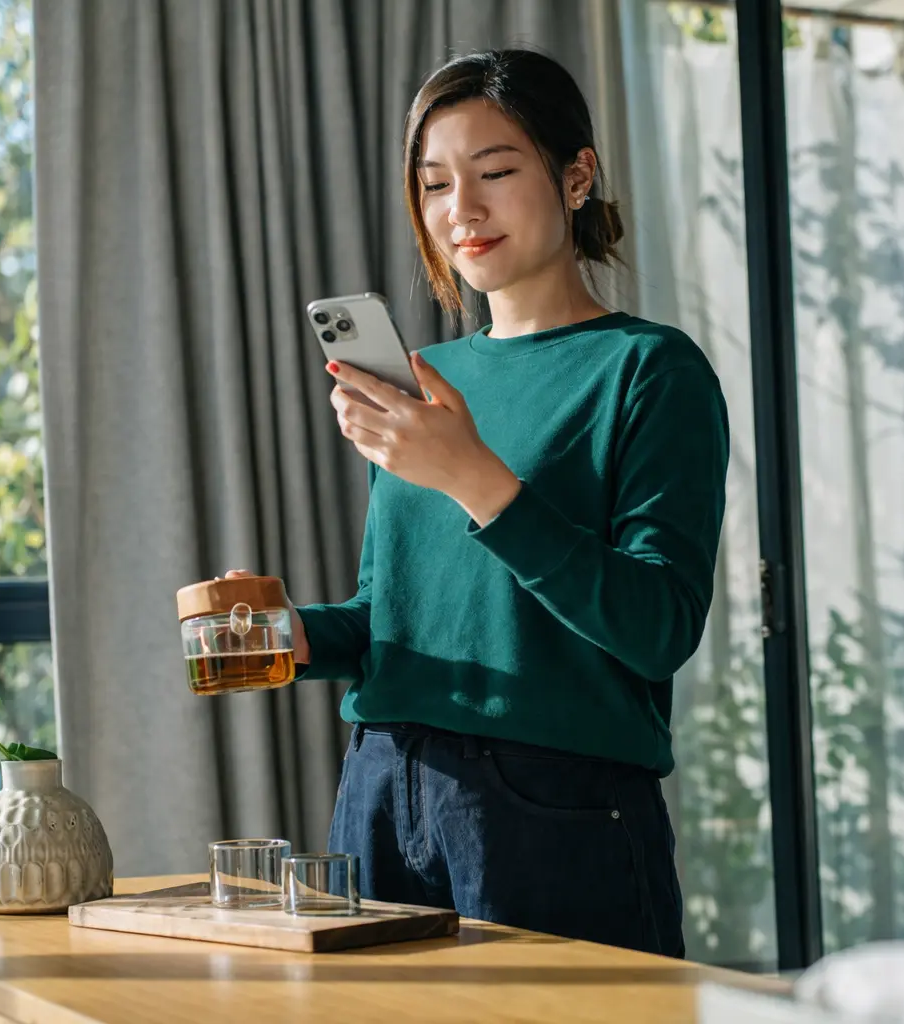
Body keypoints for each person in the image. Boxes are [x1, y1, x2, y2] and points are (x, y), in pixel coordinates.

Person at [238, 48, 728, 957]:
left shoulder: (649, 371)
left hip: (556, 808)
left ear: (576, 176)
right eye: (434, 184)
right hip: (380, 789)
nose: (460, 209)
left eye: (494, 172)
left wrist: (474, 476)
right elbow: (391, 614)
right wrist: (295, 637)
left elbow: (658, 626)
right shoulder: (428, 381)